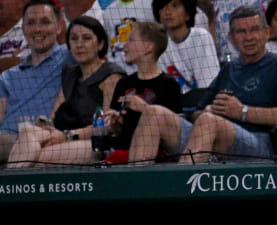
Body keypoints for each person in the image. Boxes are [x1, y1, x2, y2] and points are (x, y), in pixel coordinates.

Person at [127, 5, 277, 162]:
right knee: (153, 113)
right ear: (231, 38)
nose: (248, 37)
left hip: (261, 144)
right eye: (241, 32)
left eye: (254, 29)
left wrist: (243, 112)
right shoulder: (229, 69)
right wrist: (207, 110)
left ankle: (181, 190)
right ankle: (135, 189)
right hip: (211, 138)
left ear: (266, 32)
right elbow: (198, 113)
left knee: (208, 122)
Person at [24, 20, 180, 165]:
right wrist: (115, 122)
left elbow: (170, 132)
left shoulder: (168, 84)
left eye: (131, 40)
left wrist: (143, 108)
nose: (125, 46)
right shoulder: (124, 83)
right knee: (29, 138)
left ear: (148, 47)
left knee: (40, 157)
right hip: (118, 147)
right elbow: (115, 129)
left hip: (146, 154)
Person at [6, 14, 121, 167]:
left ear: (100, 44)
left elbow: (106, 126)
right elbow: (54, 115)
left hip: (95, 142)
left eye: (86, 38)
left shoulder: (111, 75)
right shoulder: (70, 74)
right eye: (74, 39)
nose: (79, 44)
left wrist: (68, 135)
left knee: (35, 157)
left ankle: (11, 187)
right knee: (28, 131)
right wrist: (46, 125)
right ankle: (11, 187)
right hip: (65, 135)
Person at [0, 0, 69, 163]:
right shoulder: (8, 76)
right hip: (6, 139)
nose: (37, 29)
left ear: (59, 27)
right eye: (31, 23)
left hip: (43, 136)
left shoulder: (69, 56)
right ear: (23, 29)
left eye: (45, 22)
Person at [104, 0, 208, 73]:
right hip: (120, 73)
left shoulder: (151, 4)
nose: (168, 11)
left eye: (174, 6)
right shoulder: (108, 12)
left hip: (152, 70)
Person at [154, 0, 219, 96]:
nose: (168, 12)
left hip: (205, 102)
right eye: (163, 7)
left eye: (175, 6)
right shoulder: (158, 44)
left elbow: (208, 86)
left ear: (187, 14)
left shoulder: (201, 36)